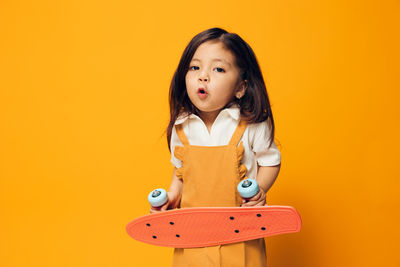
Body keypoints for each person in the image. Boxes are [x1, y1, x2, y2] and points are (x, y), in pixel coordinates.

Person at [151, 27, 282, 267]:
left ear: (241, 87)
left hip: (241, 235)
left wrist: (260, 190)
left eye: (218, 69)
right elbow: (180, 171)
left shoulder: (250, 124)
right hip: (193, 235)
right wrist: (171, 197)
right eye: (195, 67)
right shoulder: (182, 126)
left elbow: (270, 160)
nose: (203, 76)